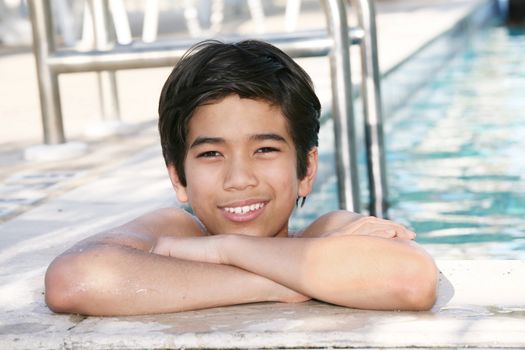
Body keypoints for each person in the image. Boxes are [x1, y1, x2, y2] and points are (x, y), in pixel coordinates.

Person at [44, 40, 438, 316]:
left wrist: (226, 250)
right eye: (211, 154)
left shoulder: (327, 229)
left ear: (306, 170)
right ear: (178, 177)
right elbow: (74, 279)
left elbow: (411, 278)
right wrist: (278, 284)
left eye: (265, 150)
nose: (239, 178)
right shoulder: (178, 228)